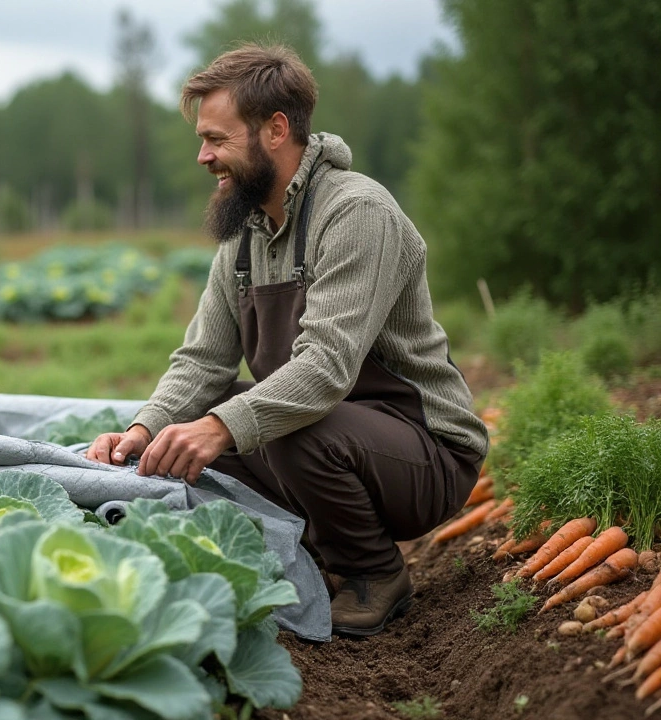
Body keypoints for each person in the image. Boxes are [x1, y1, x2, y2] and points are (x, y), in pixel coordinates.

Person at [85, 43, 489, 637]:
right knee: (188, 445)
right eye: (202, 140)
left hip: (425, 452)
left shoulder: (356, 212)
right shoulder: (245, 234)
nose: (204, 156)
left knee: (272, 422)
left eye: (217, 139)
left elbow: (326, 369)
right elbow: (202, 360)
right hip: (336, 434)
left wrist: (220, 424)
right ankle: (314, 553)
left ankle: (373, 572)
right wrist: (145, 432)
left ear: (276, 130)